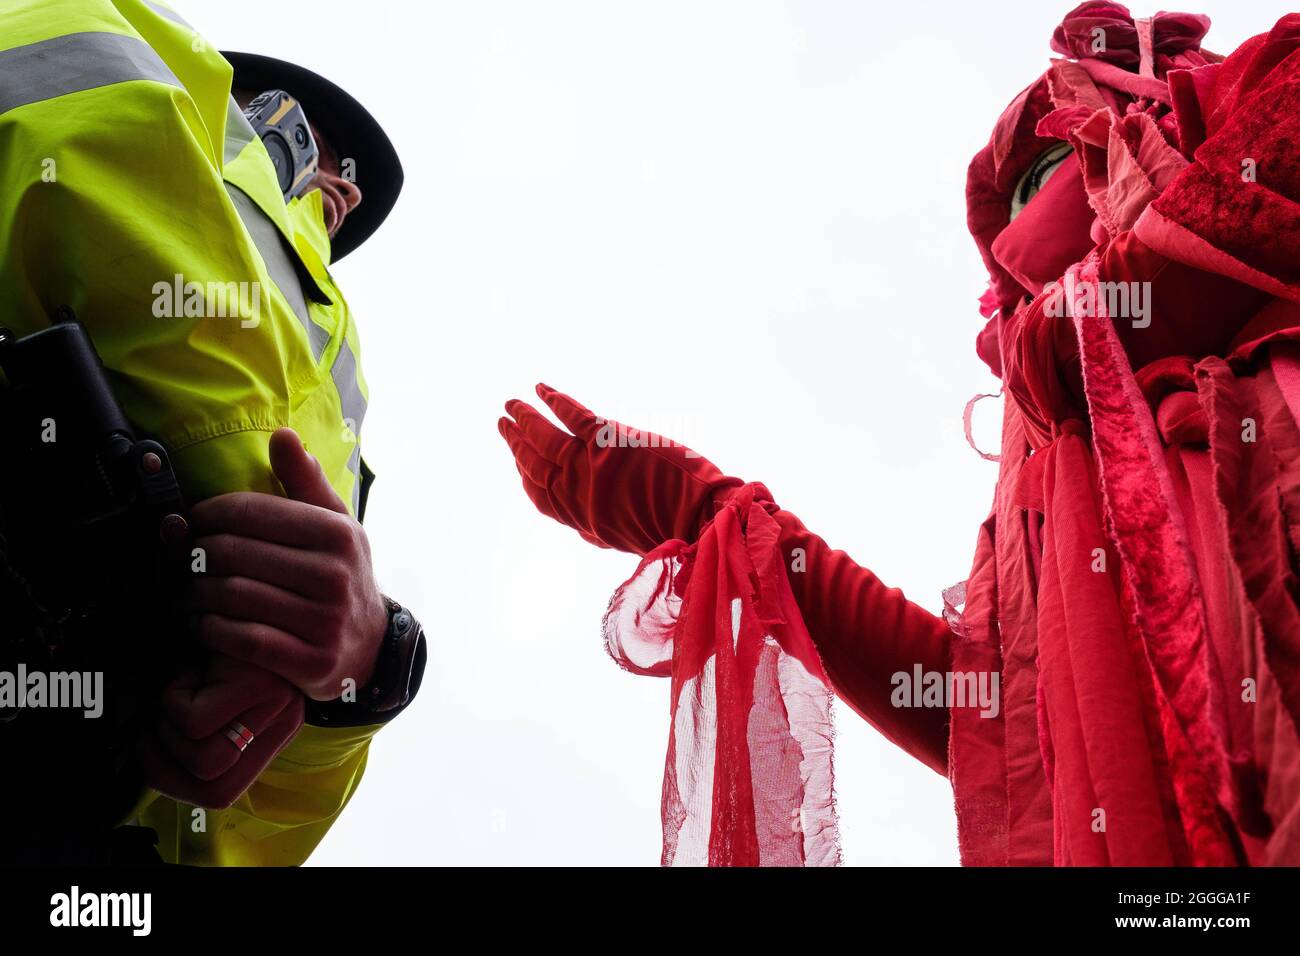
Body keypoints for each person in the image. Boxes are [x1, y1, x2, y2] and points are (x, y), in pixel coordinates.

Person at [500, 2, 1300, 865]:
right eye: (1019, 191)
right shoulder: (1041, 473)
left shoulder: (1267, 125)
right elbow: (997, 727)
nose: (1034, 217)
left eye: (1067, 150)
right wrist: (707, 509)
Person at [0, 0, 425, 865]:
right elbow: (69, 140)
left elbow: (236, 831)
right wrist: (244, 599)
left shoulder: (343, 408)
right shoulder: (123, 56)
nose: (338, 191)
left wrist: (363, 675)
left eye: (346, 187)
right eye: (308, 142)